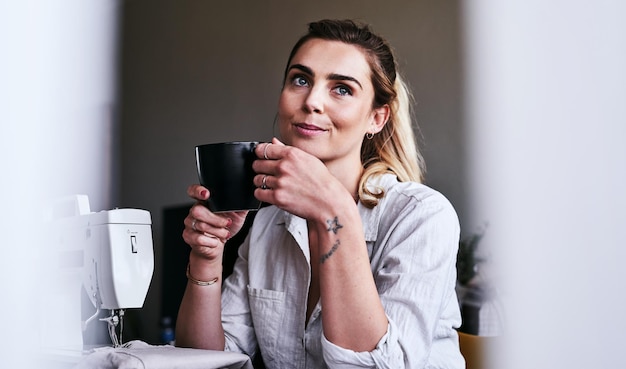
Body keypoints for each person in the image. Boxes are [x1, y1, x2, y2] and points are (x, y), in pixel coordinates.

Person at [176, 19, 464, 368]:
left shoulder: (422, 216)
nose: (311, 100)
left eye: (342, 88)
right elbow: (208, 363)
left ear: (377, 118)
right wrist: (207, 257)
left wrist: (335, 211)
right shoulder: (268, 224)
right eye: (300, 79)